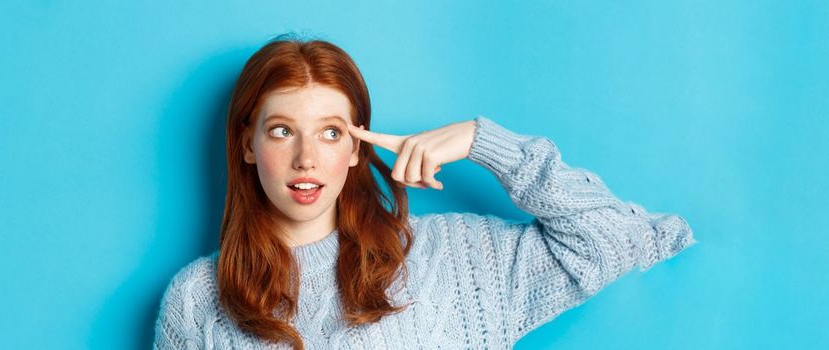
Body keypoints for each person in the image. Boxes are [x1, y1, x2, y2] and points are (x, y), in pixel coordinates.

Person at [153, 35, 697, 350]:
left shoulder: (451, 260)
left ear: (356, 148)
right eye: (281, 130)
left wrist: (484, 142)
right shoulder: (197, 301)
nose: (306, 158)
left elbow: (616, 237)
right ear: (246, 144)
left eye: (330, 132)